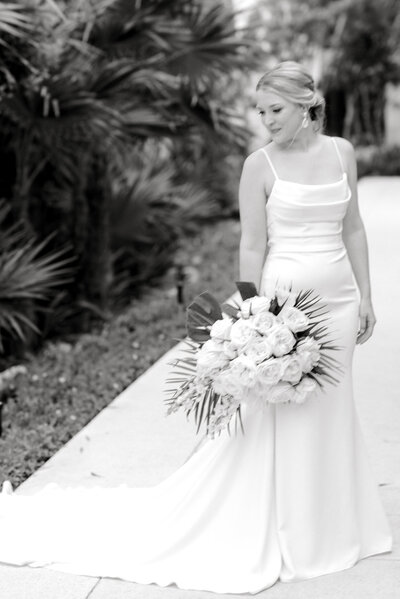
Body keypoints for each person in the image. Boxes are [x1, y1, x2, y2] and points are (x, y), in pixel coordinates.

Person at [0, 61, 392, 594]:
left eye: (274, 110)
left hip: (340, 301)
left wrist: (367, 295)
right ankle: (290, 527)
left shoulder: (342, 153)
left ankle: (335, 523)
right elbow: (252, 244)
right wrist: (255, 314)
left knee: (331, 405)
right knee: (281, 411)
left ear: (306, 104)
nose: (265, 121)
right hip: (283, 305)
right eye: (260, 111)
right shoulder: (260, 165)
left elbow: (354, 228)